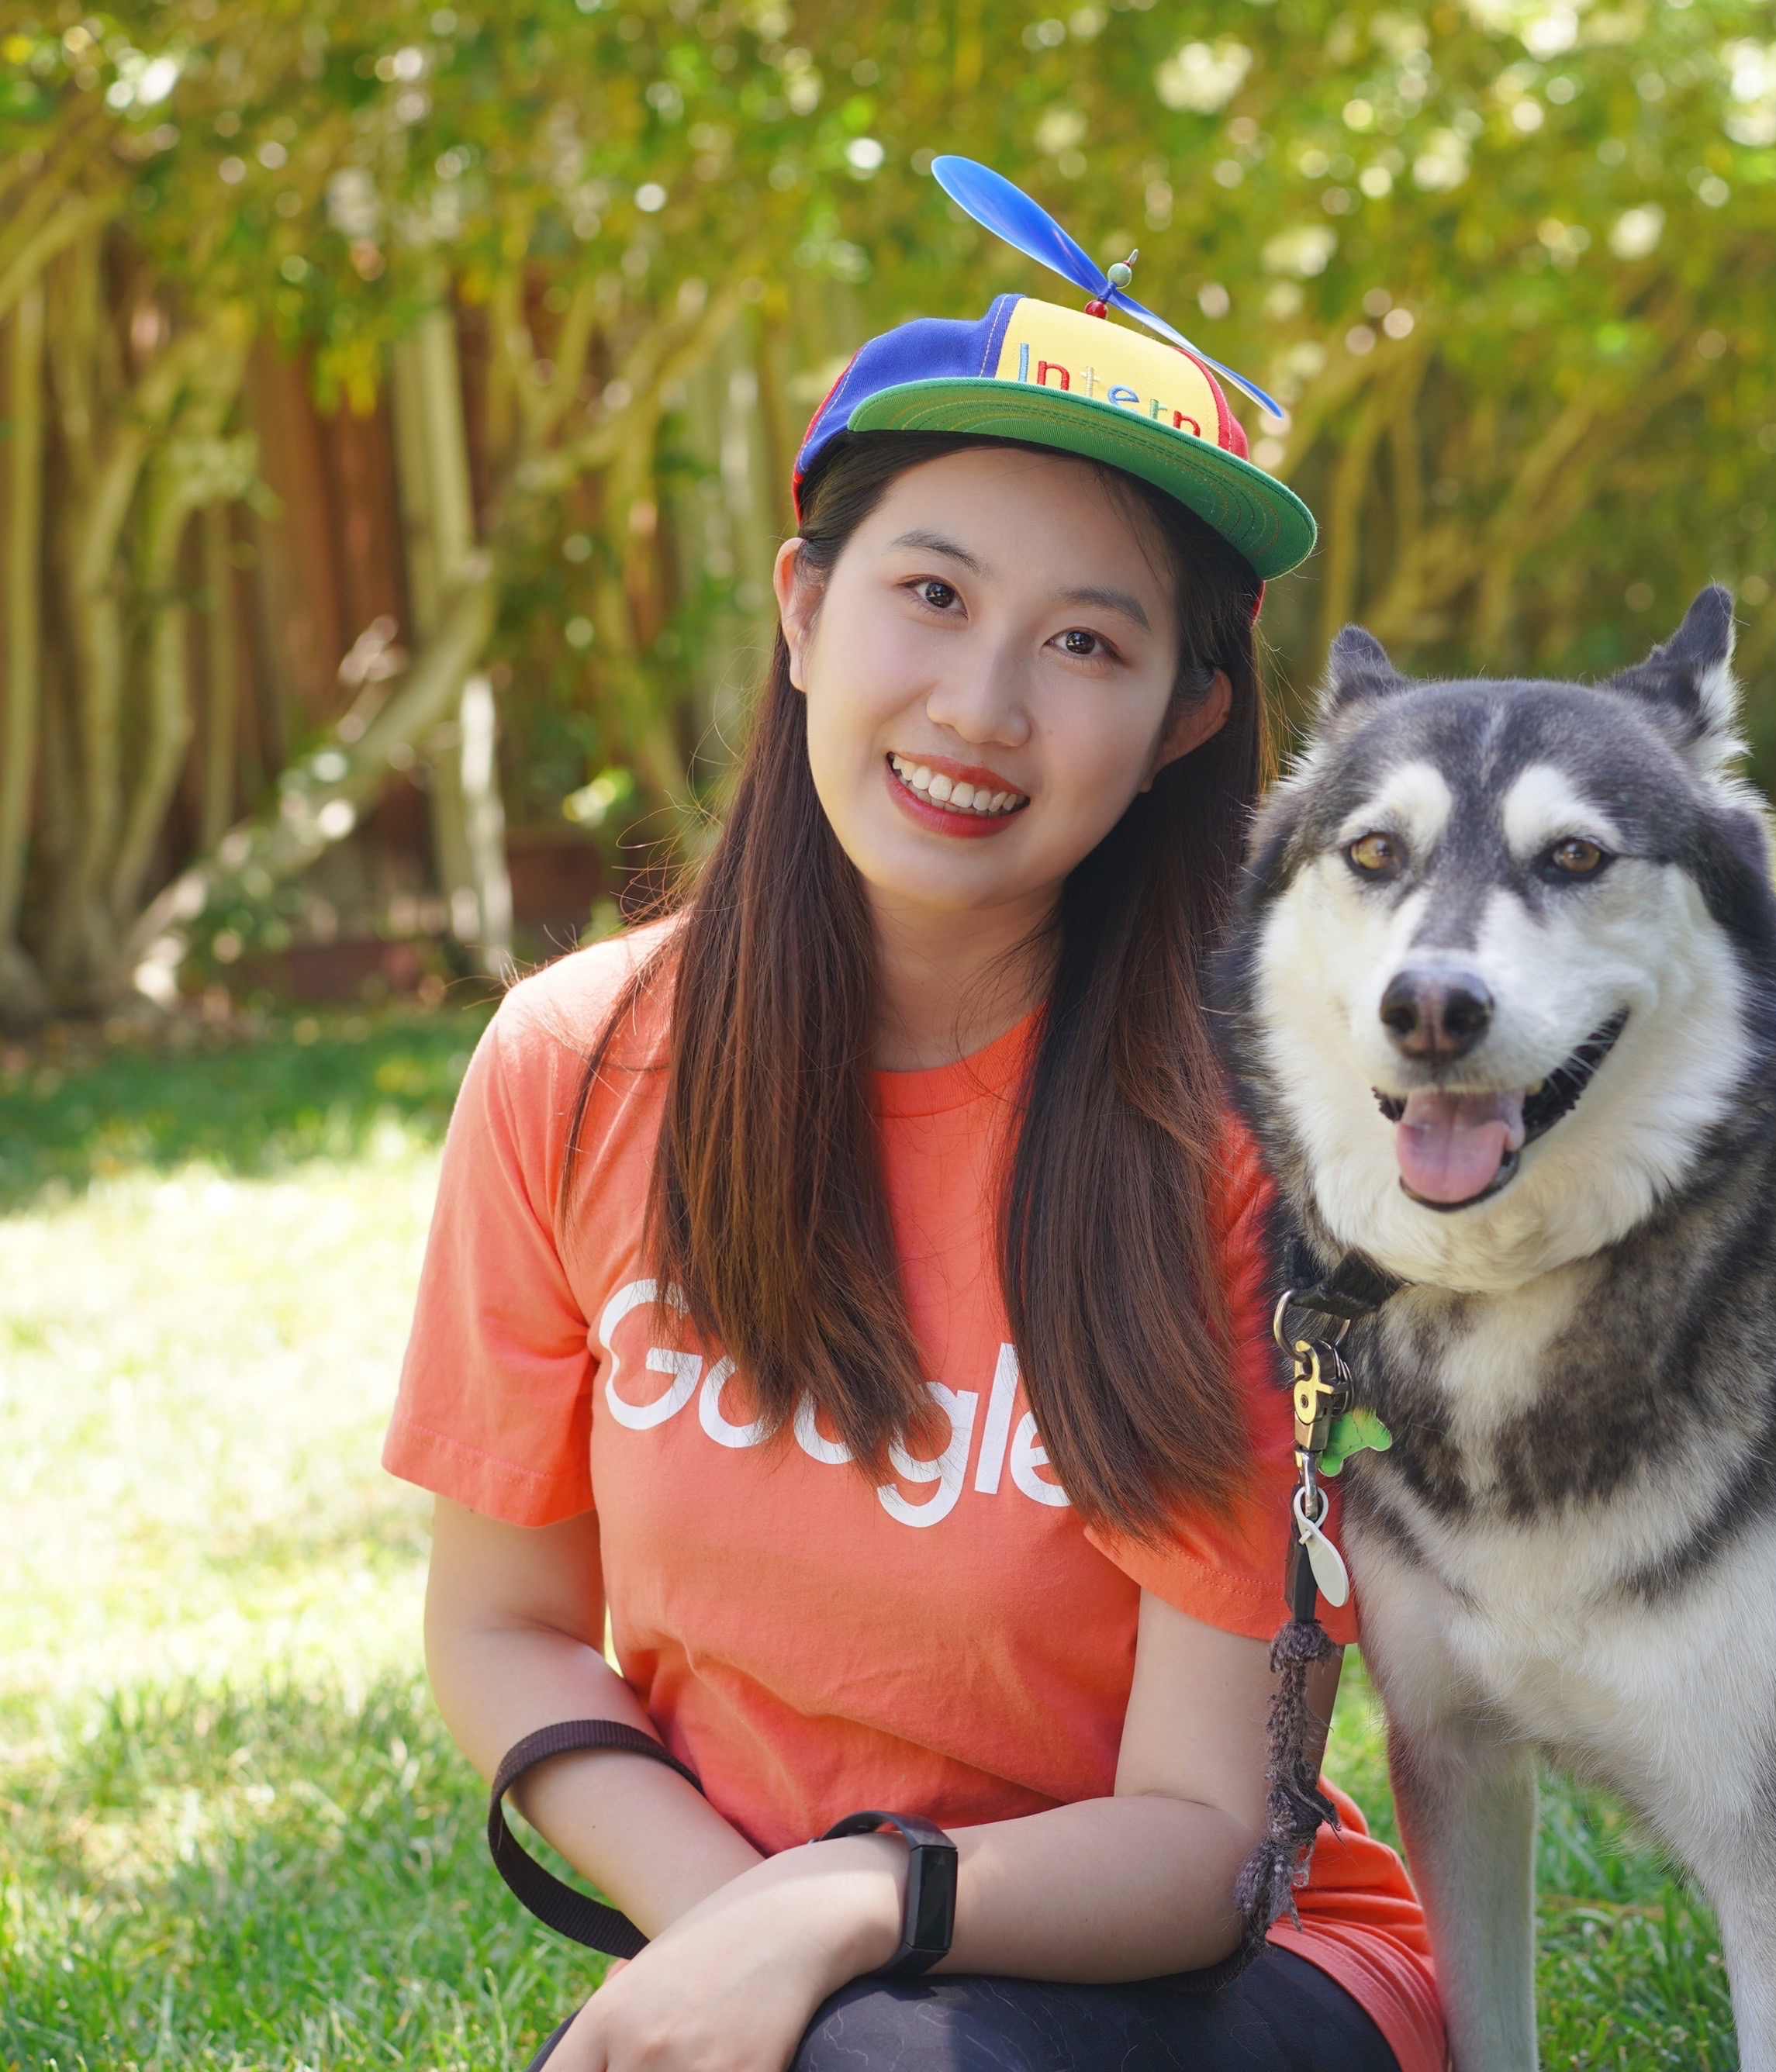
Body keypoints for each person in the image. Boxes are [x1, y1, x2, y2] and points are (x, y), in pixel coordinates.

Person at [384, 291, 1443, 2072]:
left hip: (1218, 1975)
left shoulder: (1257, 1148)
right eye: (931, 595)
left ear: (1186, 714)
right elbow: (500, 1625)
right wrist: (741, 1935)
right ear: (805, 610)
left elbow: (1204, 1835)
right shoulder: (575, 1067)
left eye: (1087, 645)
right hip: (811, 1961)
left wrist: (834, 1915)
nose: (981, 704)